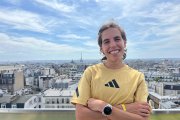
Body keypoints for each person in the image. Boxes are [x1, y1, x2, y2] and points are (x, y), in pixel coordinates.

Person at [71, 21, 151, 120]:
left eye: (117, 39)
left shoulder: (138, 77)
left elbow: (142, 119)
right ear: (101, 49)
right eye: (106, 41)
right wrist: (127, 109)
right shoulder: (90, 72)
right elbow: (81, 116)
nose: (113, 45)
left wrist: (102, 106)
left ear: (124, 43)